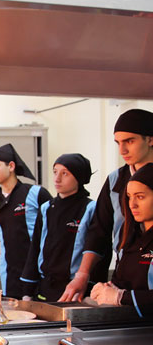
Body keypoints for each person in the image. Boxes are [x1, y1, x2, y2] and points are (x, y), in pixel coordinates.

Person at [61, 108, 153, 301]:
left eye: (130, 141)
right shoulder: (116, 180)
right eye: (118, 143)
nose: (122, 151)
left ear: (150, 139)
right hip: (126, 272)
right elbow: (99, 231)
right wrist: (83, 274)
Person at [20, 154, 108, 301]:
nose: (57, 178)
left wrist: (90, 286)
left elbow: (99, 249)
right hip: (46, 288)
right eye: (55, 172)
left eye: (65, 173)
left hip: (76, 289)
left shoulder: (91, 208)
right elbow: (35, 248)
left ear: (79, 177)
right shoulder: (46, 208)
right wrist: (28, 290)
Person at [0, 143, 52, 299]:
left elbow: (53, 232)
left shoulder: (36, 194)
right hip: (10, 278)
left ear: (11, 166)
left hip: (39, 276)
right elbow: (2, 238)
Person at [90, 163, 153, 317]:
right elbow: (125, 281)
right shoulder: (131, 238)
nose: (133, 204)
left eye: (140, 197)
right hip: (131, 331)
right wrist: (110, 288)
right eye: (129, 197)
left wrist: (121, 297)